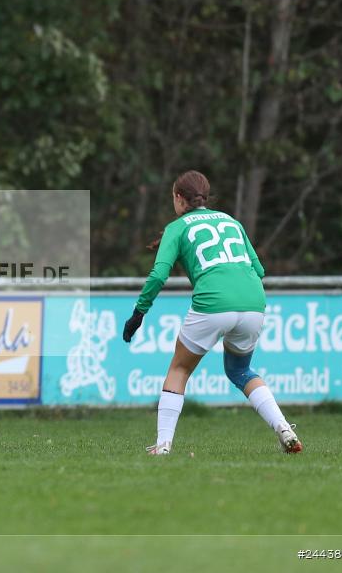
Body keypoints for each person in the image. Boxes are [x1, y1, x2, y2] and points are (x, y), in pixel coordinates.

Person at [122, 170, 302, 455]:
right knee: (240, 370)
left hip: (213, 303)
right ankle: (283, 428)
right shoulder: (232, 221)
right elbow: (260, 270)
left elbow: (158, 276)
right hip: (254, 301)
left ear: (179, 198)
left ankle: (163, 445)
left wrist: (139, 313)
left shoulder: (177, 227)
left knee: (179, 369)